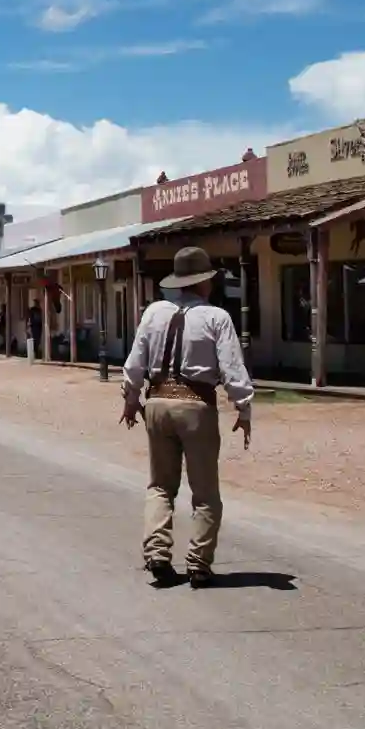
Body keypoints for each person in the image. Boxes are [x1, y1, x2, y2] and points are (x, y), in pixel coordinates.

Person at [120, 246, 255, 588]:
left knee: (161, 485)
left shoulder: (153, 313)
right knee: (205, 493)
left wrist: (131, 398)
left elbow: (135, 362)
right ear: (204, 282)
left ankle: (157, 554)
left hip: (157, 403)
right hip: (196, 406)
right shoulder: (216, 317)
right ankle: (198, 563)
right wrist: (244, 407)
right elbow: (232, 368)